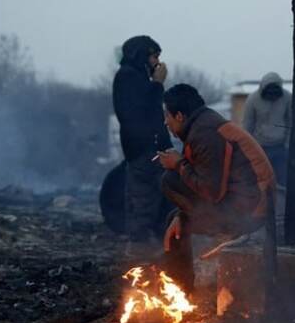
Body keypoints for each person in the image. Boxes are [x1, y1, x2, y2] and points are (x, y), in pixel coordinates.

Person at [156, 84, 275, 292]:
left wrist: (178, 164)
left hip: (250, 211)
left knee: (169, 180)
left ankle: (182, 289)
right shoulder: (202, 125)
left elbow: (211, 191)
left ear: (180, 116)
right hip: (240, 202)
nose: (165, 122)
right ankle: (180, 293)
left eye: (167, 116)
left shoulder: (206, 133)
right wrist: (182, 214)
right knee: (174, 222)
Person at [112, 35, 172, 252]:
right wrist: (157, 85)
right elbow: (141, 112)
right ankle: (141, 246)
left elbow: (155, 116)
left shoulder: (136, 77)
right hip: (141, 148)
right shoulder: (128, 77)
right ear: (142, 55)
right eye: (154, 56)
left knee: (155, 195)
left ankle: (149, 242)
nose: (157, 62)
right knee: (144, 197)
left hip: (147, 147)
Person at [243, 72, 292, 187]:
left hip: (280, 147)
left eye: (275, 93)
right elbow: (248, 123)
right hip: (259, 146)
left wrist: (288, 144)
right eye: (269, 93)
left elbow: (291, 121)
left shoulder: (288, 98)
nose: (272, 96)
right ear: (263, 89)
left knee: (283, 180)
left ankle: (282, 203)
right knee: (260, 180)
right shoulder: (252, 99)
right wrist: (246, 147)